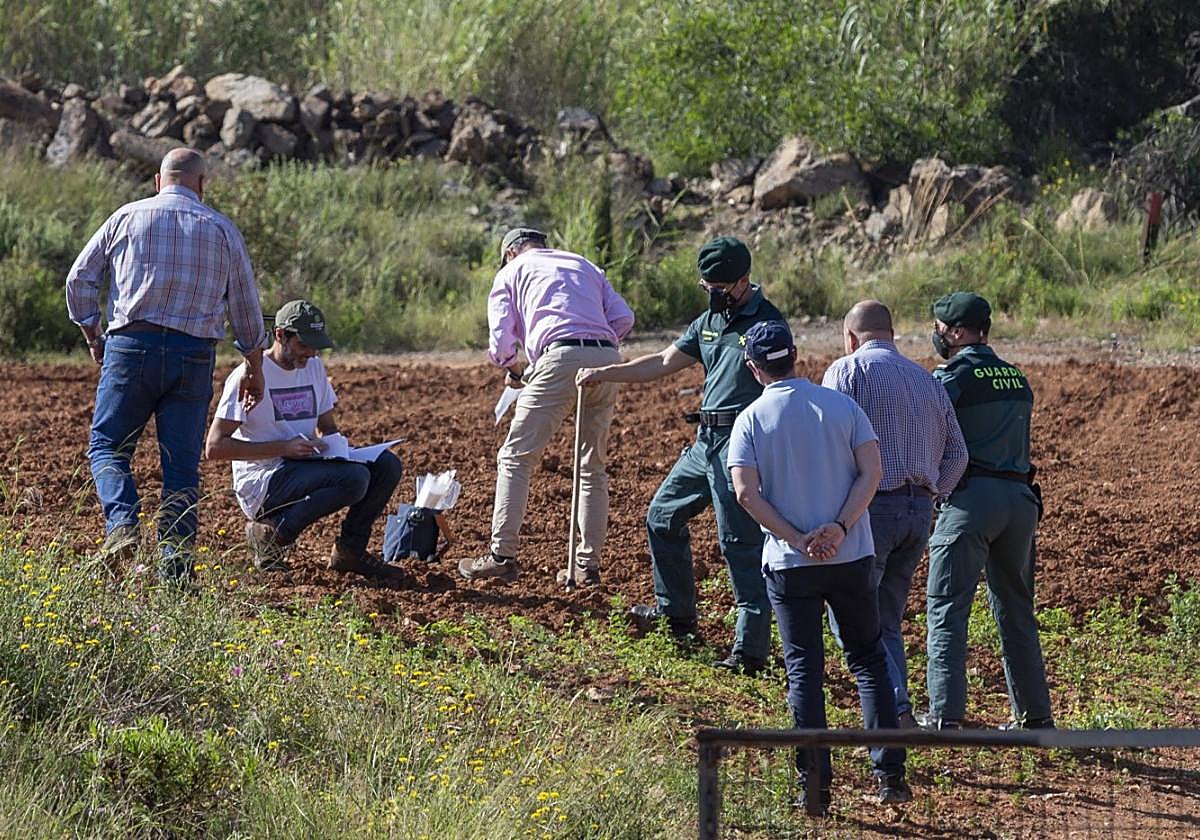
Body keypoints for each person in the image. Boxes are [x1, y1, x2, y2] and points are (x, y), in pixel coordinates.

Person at [577, 236, 782, 675]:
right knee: (662, 515)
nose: (712, 294)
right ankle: (677, 616)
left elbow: (781, 382)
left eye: (720, 287)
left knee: (738, 542)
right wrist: (605, 372)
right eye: (706, 286)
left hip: (741, 442)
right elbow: (663, 361)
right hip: (704, 440)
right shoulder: (708, 320)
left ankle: (751, 651)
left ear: (743, 281)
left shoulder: (767, 322)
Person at [727, 320, 911, 806]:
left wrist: (797, 538)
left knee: (804, 669)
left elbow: (746, 493)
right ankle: (890, 777)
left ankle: (814, 787)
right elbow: (873, 471)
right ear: (796, 357)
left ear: (754, 368)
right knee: (869, 661)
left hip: (790, 565)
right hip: (851, 556)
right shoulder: (842, 405)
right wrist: (841, 527)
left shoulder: (750, 419)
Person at [65, 147, 267, 585]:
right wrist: (255, 365)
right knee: (180, 468)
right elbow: (247, 308)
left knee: (108, 448)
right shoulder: (222, 229)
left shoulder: (127, 217)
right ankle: (175, 573)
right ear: (201, 184)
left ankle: (122, 527)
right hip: (193, 356)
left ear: (159, 181)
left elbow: (79, 279)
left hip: (130, 347)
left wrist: (92, 335)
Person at [457, 227, 634, 586]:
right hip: (606, 359)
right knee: (591, 465)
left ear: (509, 253)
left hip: (558, 357)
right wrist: (594, 348)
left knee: (516, 458)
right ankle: (587, 567)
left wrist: (517, 369)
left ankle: (501, 556)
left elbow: (501, 342)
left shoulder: (510, 272)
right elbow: (623, 318)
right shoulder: (583, 264)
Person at [821, 300, 968, 728]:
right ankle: (898, 709)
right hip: (918, 512)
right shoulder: (927, 380)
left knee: (850, 613)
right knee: (887, 615)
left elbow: (828, 440)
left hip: (871, 509)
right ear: (891, 334)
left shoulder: (845, 372)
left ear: (851, 338)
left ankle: (890, 707)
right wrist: (931, 493)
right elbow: (958, 454)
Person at [920, 292, 1053, 730]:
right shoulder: (1017, 378)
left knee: (946, 608)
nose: (937, 336)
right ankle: (1035, 718)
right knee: (1017, 609)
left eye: (940, 329)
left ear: (957, 333)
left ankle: (946, 718)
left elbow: (930, 435)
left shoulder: (952, 377)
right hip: (1019, 502)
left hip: (972, 502)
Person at [205, 299, 403, 580]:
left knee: (387, 466)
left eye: (314, 347)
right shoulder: (250, 376)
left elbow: (327, 426)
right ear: (280, 335)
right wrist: (283, 448)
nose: (309, 353)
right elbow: (214, 447)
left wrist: (339, 449)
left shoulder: (313, 367)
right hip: (263, 479)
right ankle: (271, 535)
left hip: (304, 465)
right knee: (354, 479)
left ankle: (350, 550)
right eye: (303, 345)